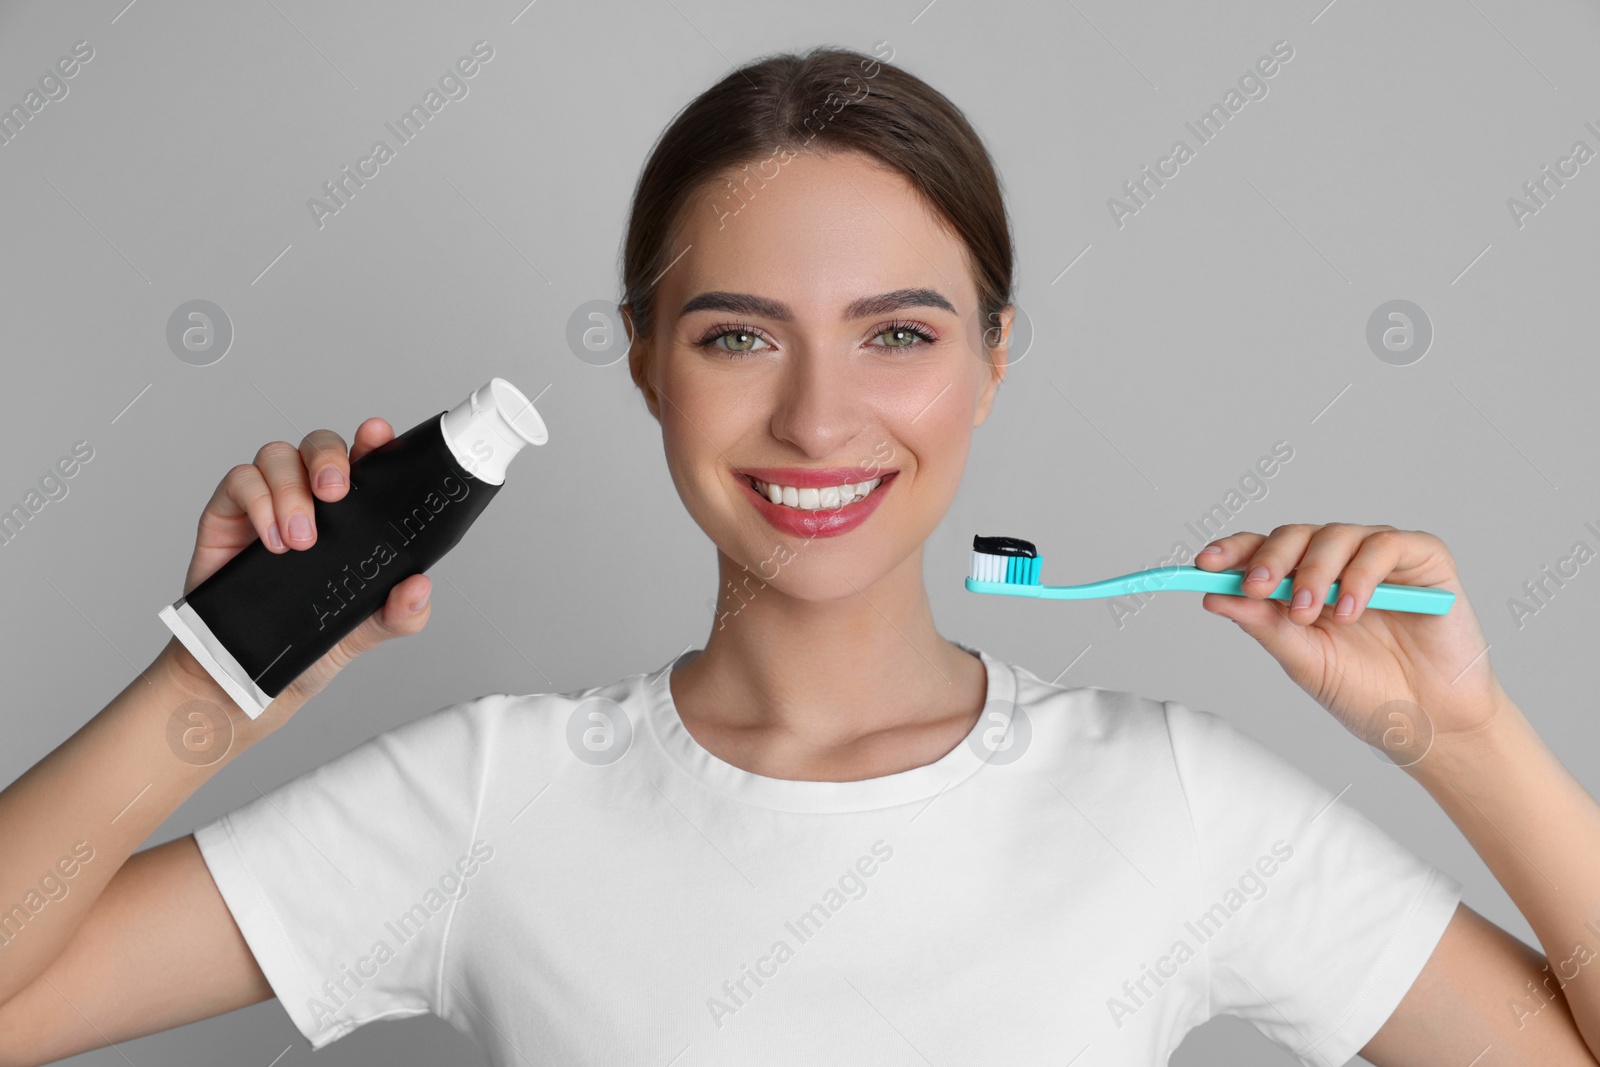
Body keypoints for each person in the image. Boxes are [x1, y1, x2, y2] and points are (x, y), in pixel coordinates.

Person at [2, 45, 1598, 1067]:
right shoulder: (493, 798)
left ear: (991, 356)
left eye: (896, 333)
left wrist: (1458, 737)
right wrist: (224, 668)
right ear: (643, 362)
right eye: (739, 334)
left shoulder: (1165, 802)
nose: (820, 418)